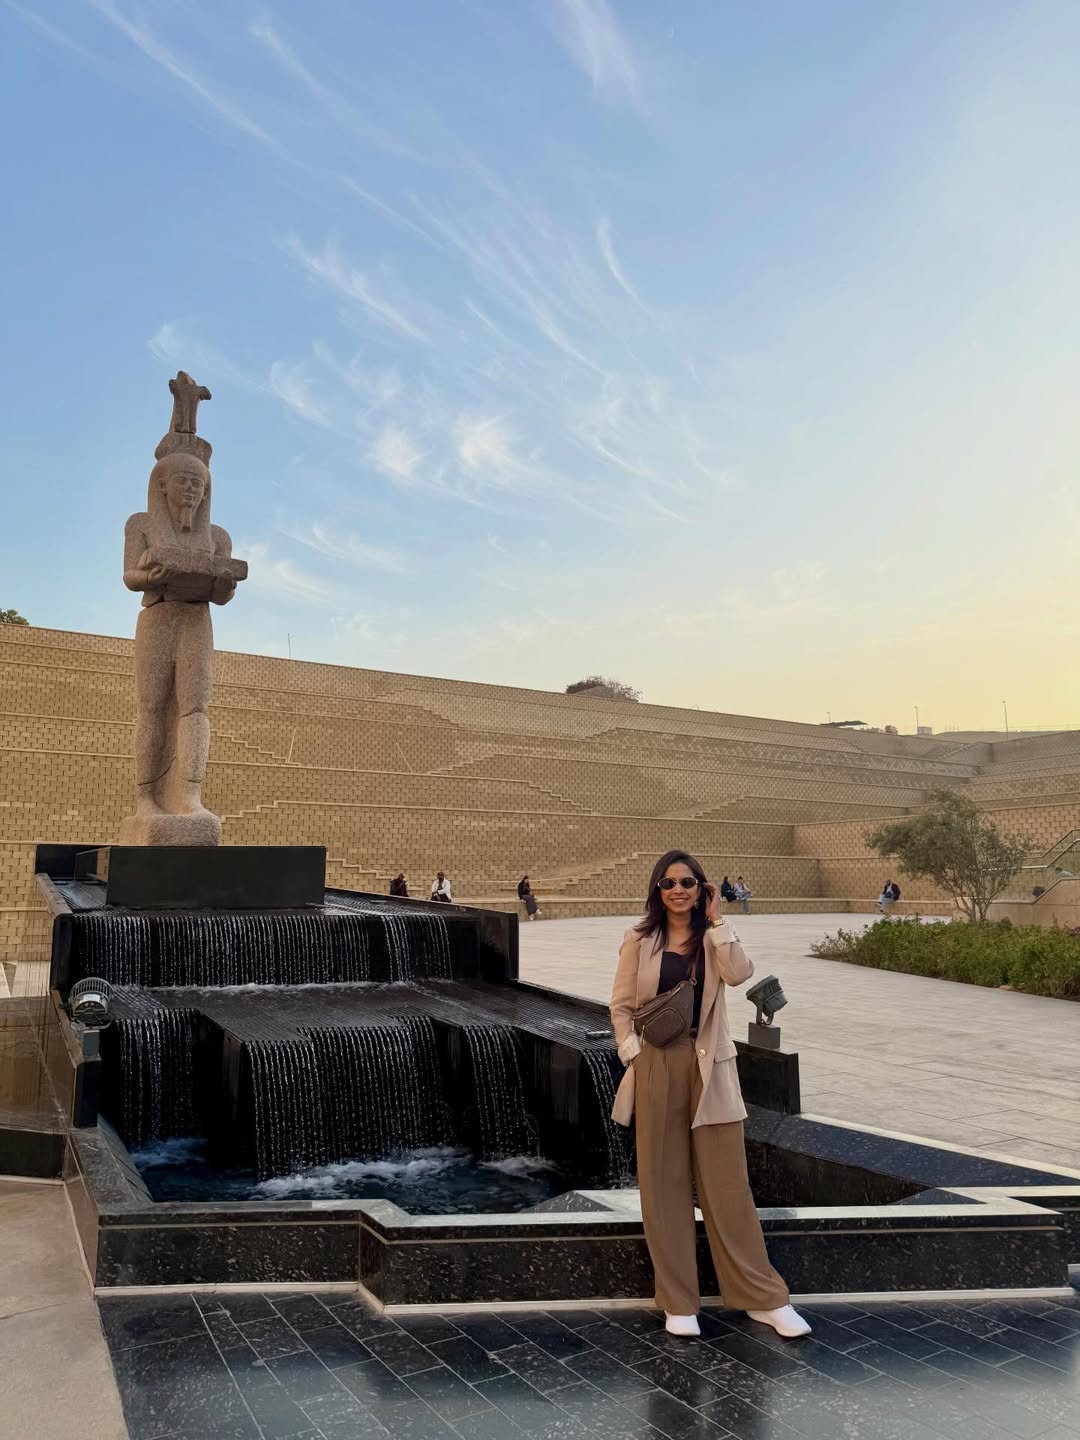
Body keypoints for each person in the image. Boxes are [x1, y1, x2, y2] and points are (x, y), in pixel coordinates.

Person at [610, 850, 809, 1340]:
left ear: (703, 889)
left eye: (688, 882)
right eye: (668, 883)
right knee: (663, 1185)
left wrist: (718, 920)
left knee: (728, 1185)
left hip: (711, 1066)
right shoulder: (639, 938)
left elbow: (740, 974)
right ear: (657, 890)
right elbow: (621, 1005)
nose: (678, 890)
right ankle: (678, 1300)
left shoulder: (713, 936)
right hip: (657, 1064)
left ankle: (763, 1297)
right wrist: (633, 1053)